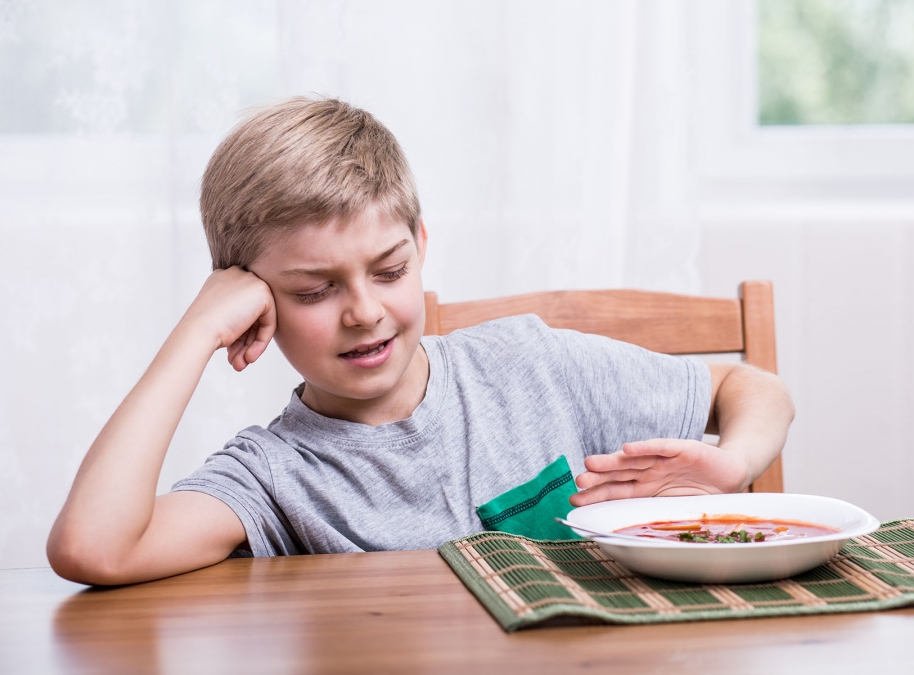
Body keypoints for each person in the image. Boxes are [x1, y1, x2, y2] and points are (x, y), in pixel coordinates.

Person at [47, 97, 795, 586]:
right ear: (253, 301)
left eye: (389, 269)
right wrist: (196, 330)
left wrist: (732, 462)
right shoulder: (275, 475)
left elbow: (753, 389)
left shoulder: (528, 365)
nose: (364, 311)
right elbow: (92, 547)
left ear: (421, 244)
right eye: (314, 290)